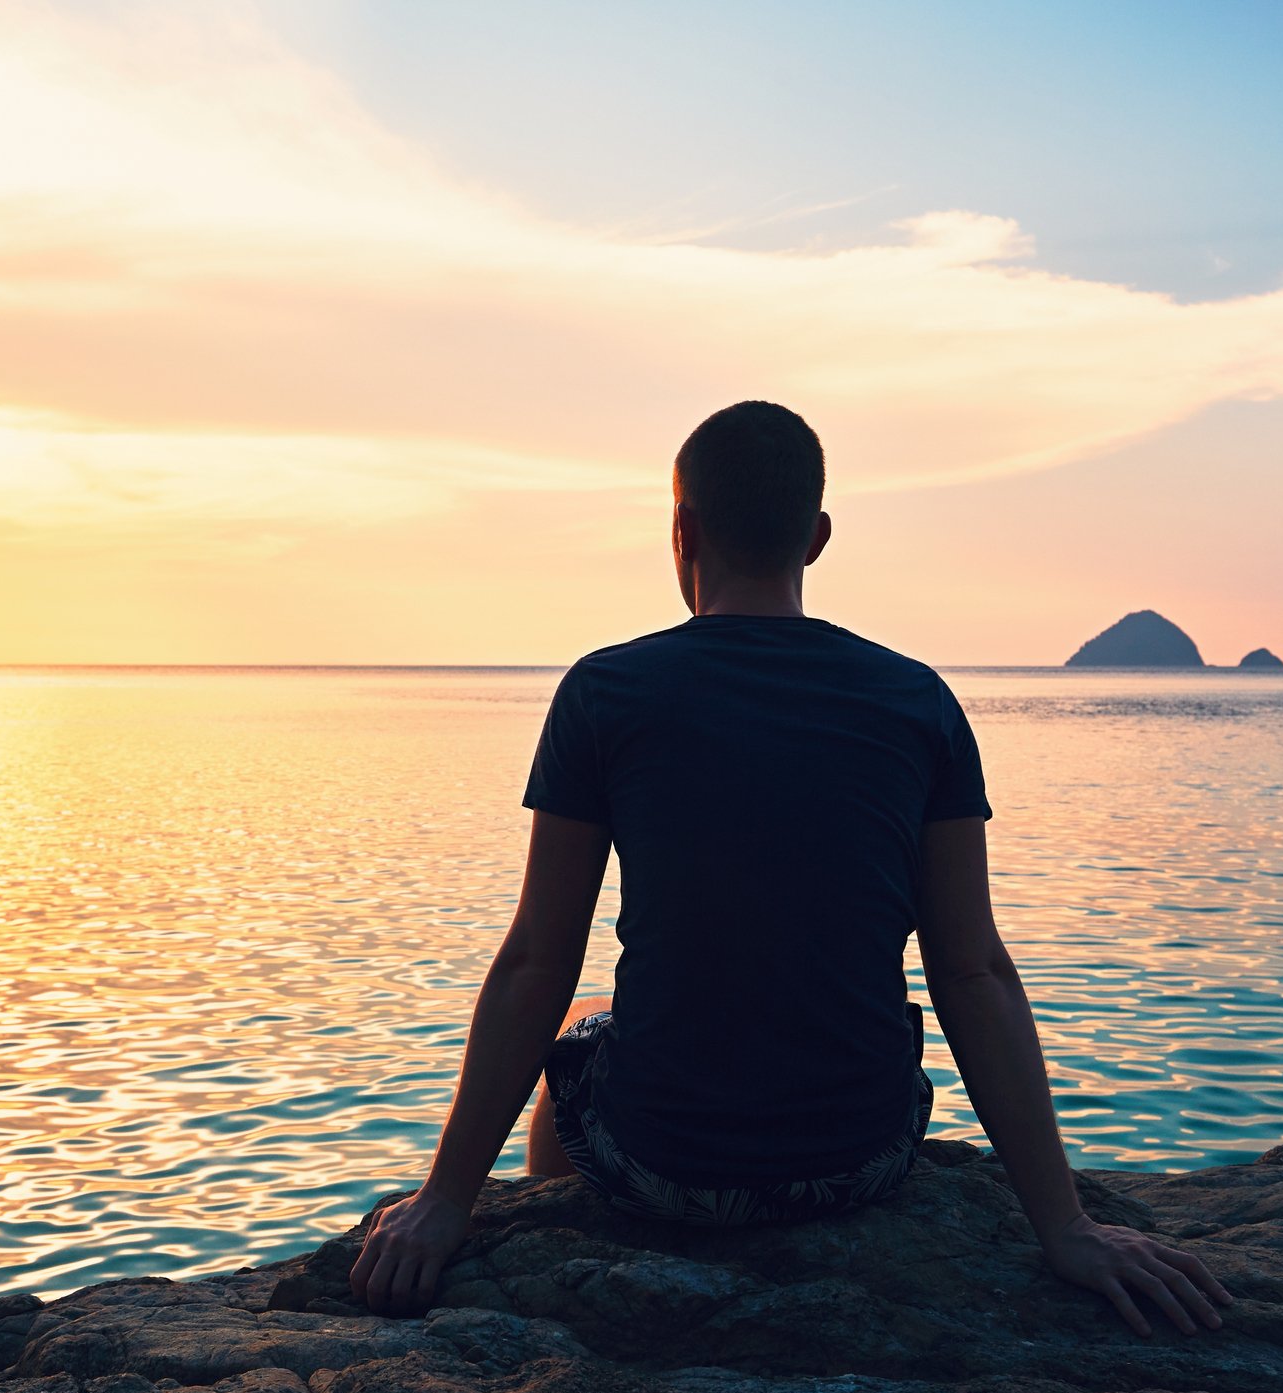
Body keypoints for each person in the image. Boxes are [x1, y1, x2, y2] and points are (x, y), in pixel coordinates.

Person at [348, 401, 1232, 1338]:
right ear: (815, 538)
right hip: (858, 1164)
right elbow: (972, 971)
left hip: (661, 1172)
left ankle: (570, 1252)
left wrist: (445, 1198)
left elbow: (538, 959)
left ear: (681, 530)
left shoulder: (606, 691)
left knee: (578, 1026)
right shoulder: (916, 700)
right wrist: (1065, 1226)